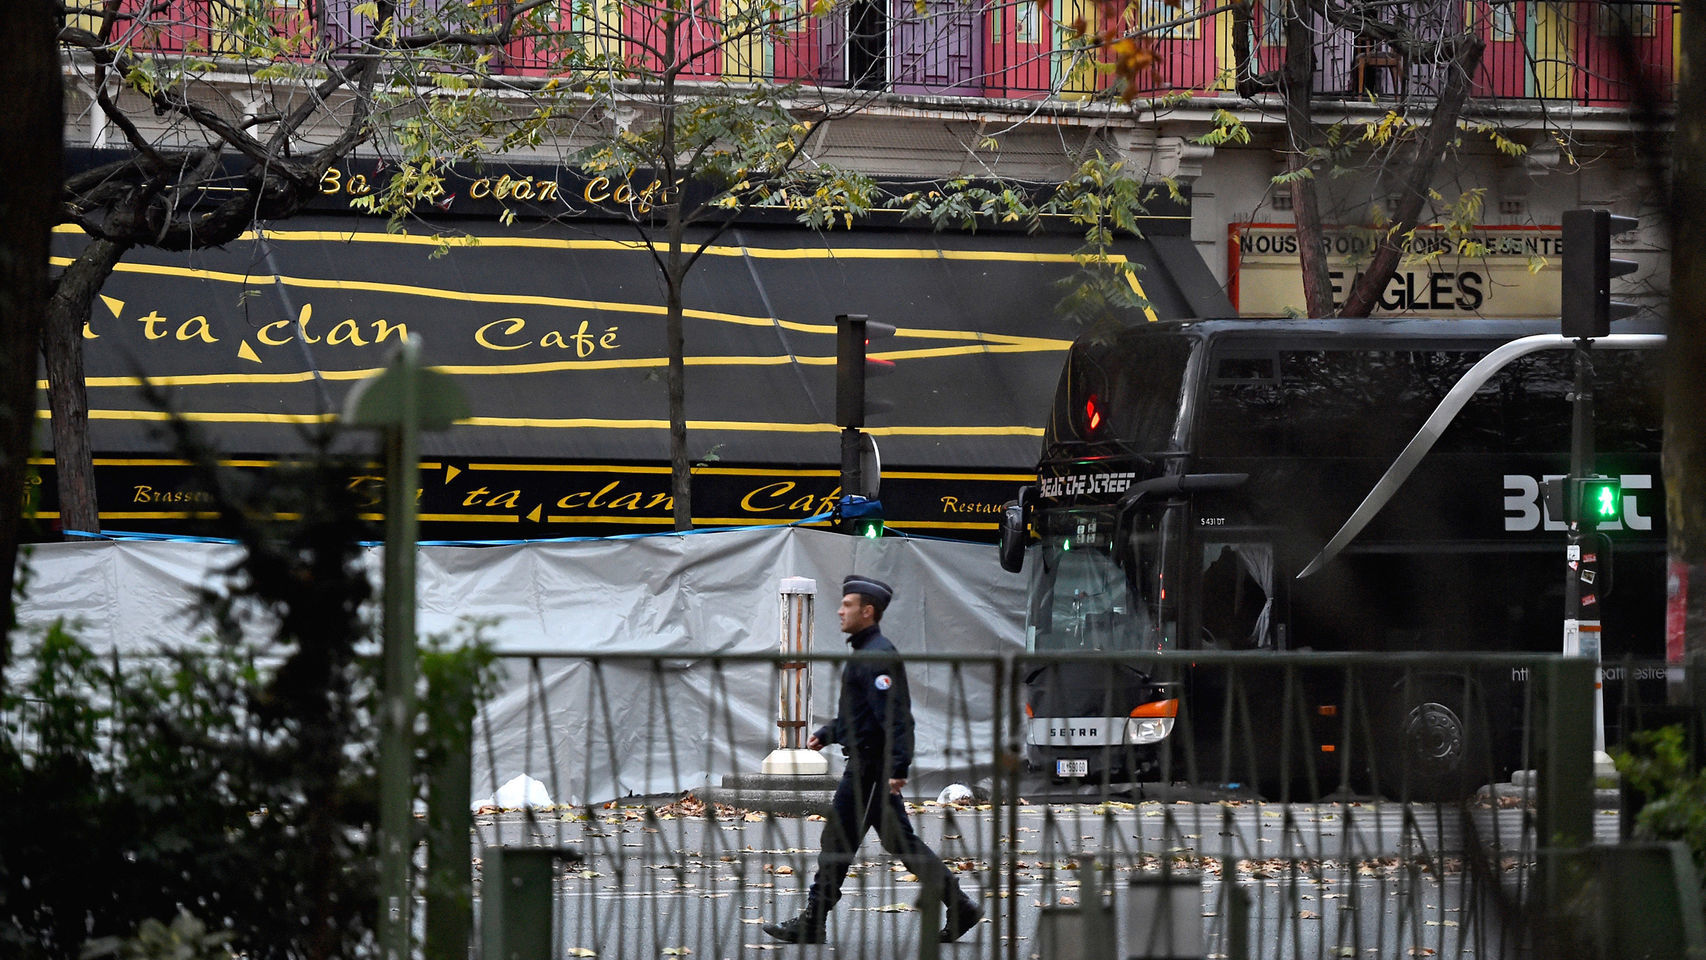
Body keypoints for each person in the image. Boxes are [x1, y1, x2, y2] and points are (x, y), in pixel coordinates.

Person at [763, 575, 983, 945]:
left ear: (867, 611)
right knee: (901, 844)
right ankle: (959, 904)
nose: (840, 610)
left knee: (838, 843)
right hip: (870, 766)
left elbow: (896, 717)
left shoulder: (877, 655)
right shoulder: (867, 652)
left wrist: (897, 768)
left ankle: (813, 922)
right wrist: (831, 732)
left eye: (847, 605)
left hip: (870, 770)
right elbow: (862, 714)